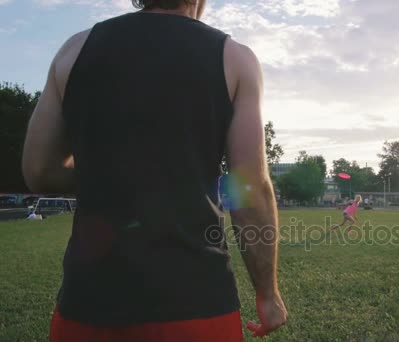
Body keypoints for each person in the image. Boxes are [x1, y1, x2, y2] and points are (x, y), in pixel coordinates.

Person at [21, 0, 287, 341]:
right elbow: (247, 186)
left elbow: (39, 170)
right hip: (197, 307)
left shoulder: (74, 49)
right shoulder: (234, 58)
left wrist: (110, 174)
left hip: (87, 307)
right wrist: (267, 294)